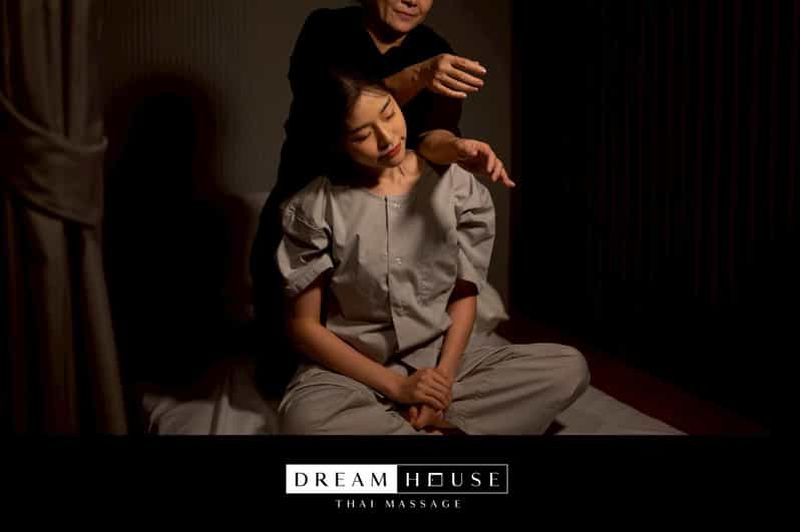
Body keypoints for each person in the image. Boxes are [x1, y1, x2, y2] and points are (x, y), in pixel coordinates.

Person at [274, 70, 589, 434]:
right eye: (361, 135)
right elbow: (304, 327)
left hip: (442, 360)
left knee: (568, 368)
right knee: (303, 420)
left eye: (389, 113)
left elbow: (464, 294)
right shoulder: (315, 206)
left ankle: (421, 420)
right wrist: (398, 387)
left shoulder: (456, 186)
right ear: (339, 142)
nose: (386, 138)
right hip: (355, 371)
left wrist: (441, 385)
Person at [252, 0, 514, 394]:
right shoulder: (326, 30)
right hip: (309, 209)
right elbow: (328, 117)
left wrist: (459, 149)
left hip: (381, 215)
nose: (413, 1)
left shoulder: (436, 47)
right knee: (284, 376)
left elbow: (430, 138)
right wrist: (419, 75)